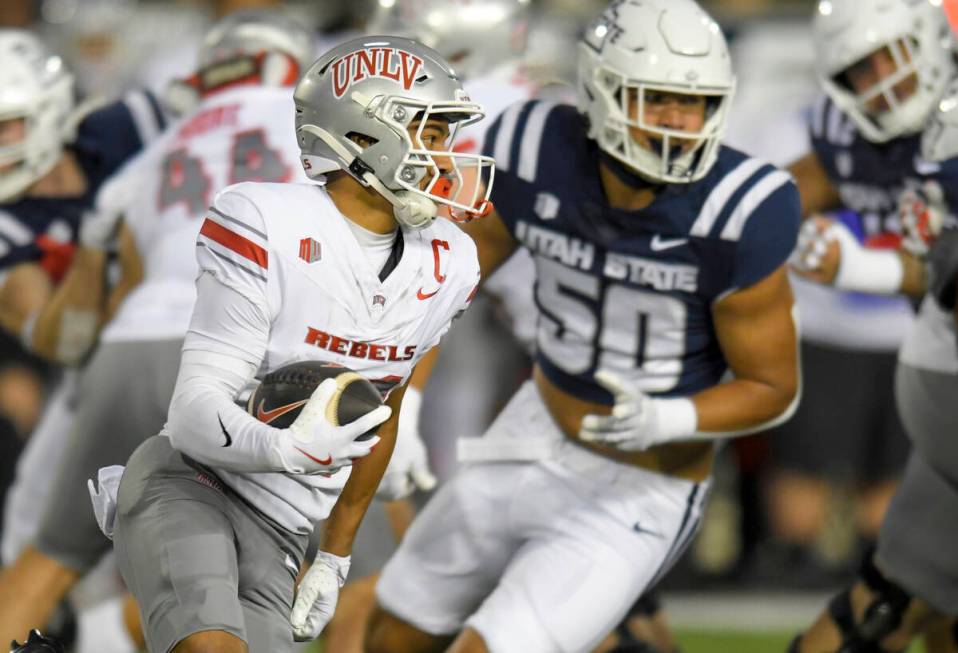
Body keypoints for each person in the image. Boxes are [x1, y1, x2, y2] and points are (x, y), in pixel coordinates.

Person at [365, 1, 802, 652]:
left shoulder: (739, 209)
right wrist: (405, 406)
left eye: (696, 102)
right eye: (656, 99)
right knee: (391, 632)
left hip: (641, 482)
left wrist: (671, 417)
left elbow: (774, 385)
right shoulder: (534, 147)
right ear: (602, 90)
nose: (678, 122)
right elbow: (440, 282)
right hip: (532, 428)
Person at [108, 35, 494, 653]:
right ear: (364, 137)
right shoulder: (264, 220)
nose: (448, 156)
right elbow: (190, 415)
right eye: (431, 132)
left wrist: (335, 556)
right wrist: (290, 450)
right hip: (192, 484)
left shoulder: (449, 261)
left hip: (283, 525)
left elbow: (381, 410)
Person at [0, 11, 312, 647]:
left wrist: (104, 247)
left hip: (133, 341)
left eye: (8, 125)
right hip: (153, 348)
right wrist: (95, 256)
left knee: (61, 549)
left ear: (55, 112)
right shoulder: (180, 124)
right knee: (40, 537)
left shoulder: (136, 129)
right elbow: (60, 341)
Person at [787, 3, 958, 648]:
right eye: (862, 66)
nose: (884, 77)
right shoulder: (853, 138)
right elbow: (788, 192)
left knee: (894, 604)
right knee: (898, 607)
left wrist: (871, 271)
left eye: (893, 53)